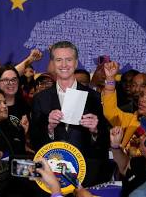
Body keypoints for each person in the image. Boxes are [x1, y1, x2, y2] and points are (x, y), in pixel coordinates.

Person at [30, 41, 110, 187]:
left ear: (76, 62)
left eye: (69, 59)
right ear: (53, 63)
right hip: (52, 175)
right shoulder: (40, 99)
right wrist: (49, 128)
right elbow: (33, 139)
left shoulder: (93, 97)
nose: (64, 65)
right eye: (59, 60)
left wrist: (95, 131)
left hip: (87, 174)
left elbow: (105, 143)